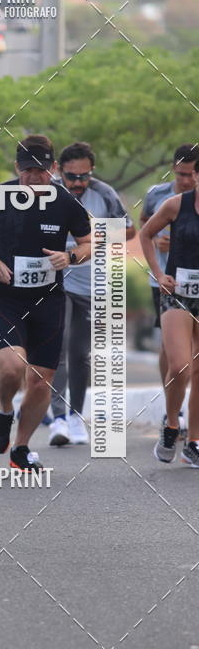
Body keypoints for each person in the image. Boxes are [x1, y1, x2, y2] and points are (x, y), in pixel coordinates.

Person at [0, 135, 92, 472]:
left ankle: (20, 449)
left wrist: (71, 256)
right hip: (6, 295)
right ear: (16, 168)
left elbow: (88, 241)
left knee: (40, 381)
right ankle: (5, 409)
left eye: (40, 170)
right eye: (26, 170)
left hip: (49, 299)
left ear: (52, 168)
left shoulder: (65, 202)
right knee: (11, 367)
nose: (34, 177)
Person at [48, 141, 136, 447]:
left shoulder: (105, 194)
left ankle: (75, 416)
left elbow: (129, 231)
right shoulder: (50, 192)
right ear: (59, 171)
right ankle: (57, 418)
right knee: (56, 349)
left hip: (90, 283)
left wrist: (93, 235)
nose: (78, 184)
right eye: (72, 177)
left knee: (80, 354)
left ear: (91, 172)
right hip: (56, 282)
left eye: (84, 177)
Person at [140, 157, 199, 467]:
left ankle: (194, 442)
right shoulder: (176, 204)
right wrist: (159, 273)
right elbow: (145, 234)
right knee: (179, 367)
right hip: (177, 293)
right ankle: (172, 425)